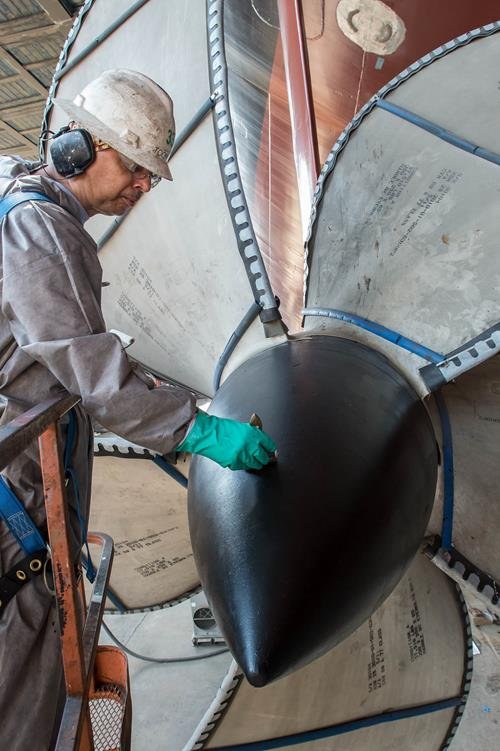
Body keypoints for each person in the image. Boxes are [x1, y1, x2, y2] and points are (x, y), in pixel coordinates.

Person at [0, 69, 276, 750]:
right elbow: (98, 381)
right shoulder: (39, 233)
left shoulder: (27, 206)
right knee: (26, 669)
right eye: (134, 165)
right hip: (15, 499)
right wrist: (201, 430)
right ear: (78, 149)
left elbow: (76, 353)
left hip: (26, 477)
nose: (144, 185)